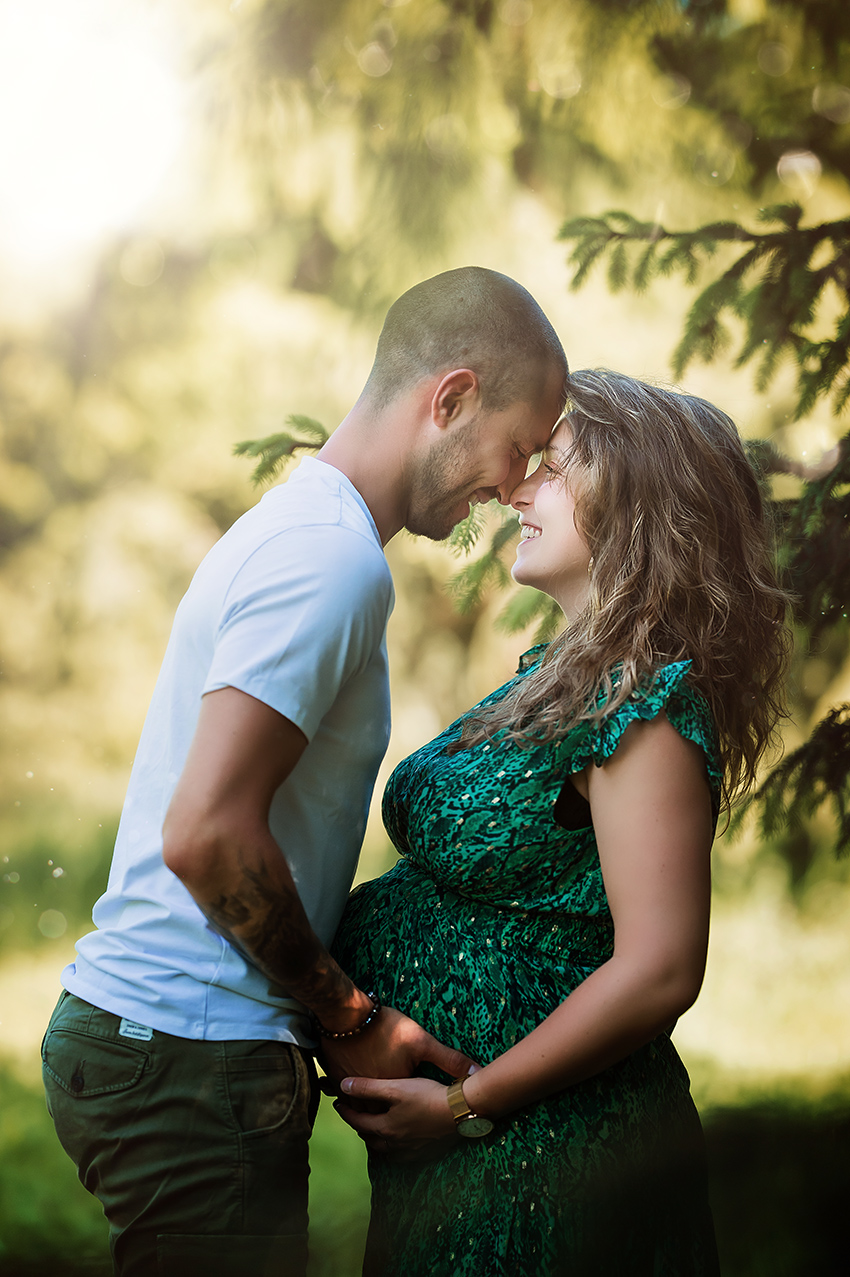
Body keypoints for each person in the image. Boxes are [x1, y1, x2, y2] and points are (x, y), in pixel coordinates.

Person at [40, 266, 568, 1277]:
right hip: (187, 1054)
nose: (510, 488)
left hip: (172, 1044)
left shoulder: (306, 534)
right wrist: (350, 1016)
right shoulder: (329, 561)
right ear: (448, 397)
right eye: (515, 448)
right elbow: (207, 834)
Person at [332, 369, 790, 1276]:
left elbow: (660, 968)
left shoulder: (644, 707)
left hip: (545, 1156)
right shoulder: (563, 677)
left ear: (639, 507)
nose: (518, 489)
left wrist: (469, 1101)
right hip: (485, 1152)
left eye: (557, 468)